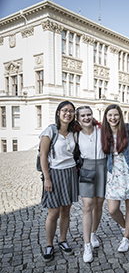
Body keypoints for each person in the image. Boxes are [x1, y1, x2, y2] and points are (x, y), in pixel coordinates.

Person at [40, 101, 78, 262]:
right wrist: (47, 178)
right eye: (64, 110)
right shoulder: (50, 130)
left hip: (70, 173)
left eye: (71, 111)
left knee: (66, 211)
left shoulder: (73, 132)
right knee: (53, 213)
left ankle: (62, 240)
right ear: (58, 112)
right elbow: (43, 155)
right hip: (54, 174)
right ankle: (49, 244)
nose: (67, 113)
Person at [101, 104, 129, 252]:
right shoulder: (102, 132)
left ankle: (126, 237)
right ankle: (127, 228)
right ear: (106, 117)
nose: (113, 118)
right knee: (112, 210)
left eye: (116, 115)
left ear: (120, 115)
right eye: (110, 115)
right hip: (113, 173)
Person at [75, 106, 107, 263]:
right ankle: (87, 245)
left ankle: (93, 233)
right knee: (87, 205)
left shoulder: (102, 131)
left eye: (89, 114)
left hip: (102, 166)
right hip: (86, 168)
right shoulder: (75, 135)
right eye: (83, 115)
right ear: (78, 119)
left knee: (99, 203)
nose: (86, 118)